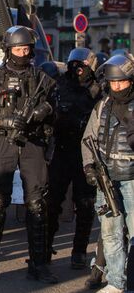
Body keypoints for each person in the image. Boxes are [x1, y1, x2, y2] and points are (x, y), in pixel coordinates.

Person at [0, 25, 57, 284]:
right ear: (8, 50)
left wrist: (46, 111)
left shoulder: (41, 78)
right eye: (18, 48)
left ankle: (39, 265)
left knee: (37, 205)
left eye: (27, 48)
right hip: (2, 142)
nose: (23, 53)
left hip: (32, 144)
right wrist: (2, 123)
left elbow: (56, 110)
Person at [82, 54, 134, 293]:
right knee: (110, 234)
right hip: (107, 178)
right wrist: (89, 167)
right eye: (113, 83)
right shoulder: (102, 105)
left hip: (132, 179)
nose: (117, 87)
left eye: (121, 82)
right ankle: (115, 282)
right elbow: (88, 139)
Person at [46, 48, 101, 269]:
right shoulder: (59, 85)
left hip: (86, 152)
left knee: (85, 204)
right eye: (75, 65)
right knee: (51, 202)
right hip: (62, 149)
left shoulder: (98, 89)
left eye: (83, 66)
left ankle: (79, 251)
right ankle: (45, 247)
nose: (78, 70)